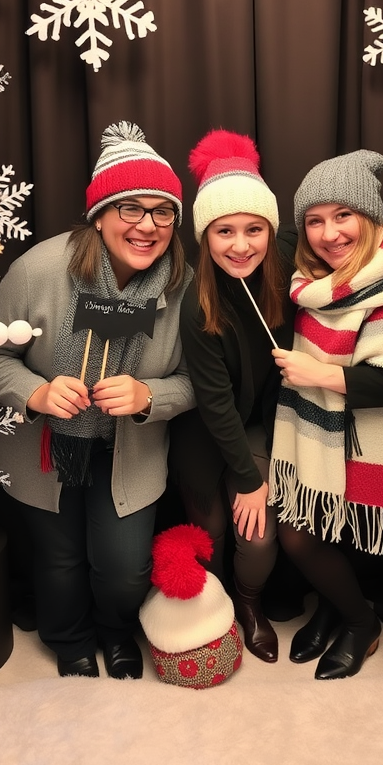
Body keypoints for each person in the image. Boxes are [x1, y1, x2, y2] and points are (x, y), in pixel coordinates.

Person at [0, 121, 195, 680]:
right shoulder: (39, 269)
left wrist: (151, 395)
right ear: (99, 215)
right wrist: (37, 391)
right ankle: (69, 639)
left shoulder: (185, 286)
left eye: (162, 211)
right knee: (59, 558)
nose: (147, 225)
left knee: (122, 567)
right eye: (130, 209)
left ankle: (117, 633)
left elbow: (203, 381)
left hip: (130, 450)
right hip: (47, 447)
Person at [270, 150, 383, 679]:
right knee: (317, 531)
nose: (328, 233)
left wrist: (318, 375)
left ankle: (362, 623)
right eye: (315, 220)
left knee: (306, 536)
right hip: (324, 436)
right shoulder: (316, 288)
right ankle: (336, 610)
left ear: (370, 219)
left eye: (343, 216)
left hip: (364, 437)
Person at [169, 129, 296, 663]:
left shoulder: (288, 265)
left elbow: (347, 232)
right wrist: (246, 478)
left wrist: (259, 475)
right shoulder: (199, 308)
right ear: (205, 236)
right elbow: (215, 404)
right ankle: (212, 607)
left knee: (261, 537)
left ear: (270, 231)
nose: (240, 244)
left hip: (260, 425)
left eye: (253, 229)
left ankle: (249, 604)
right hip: (206, 429)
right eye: (224, 231)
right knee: (214, 531)